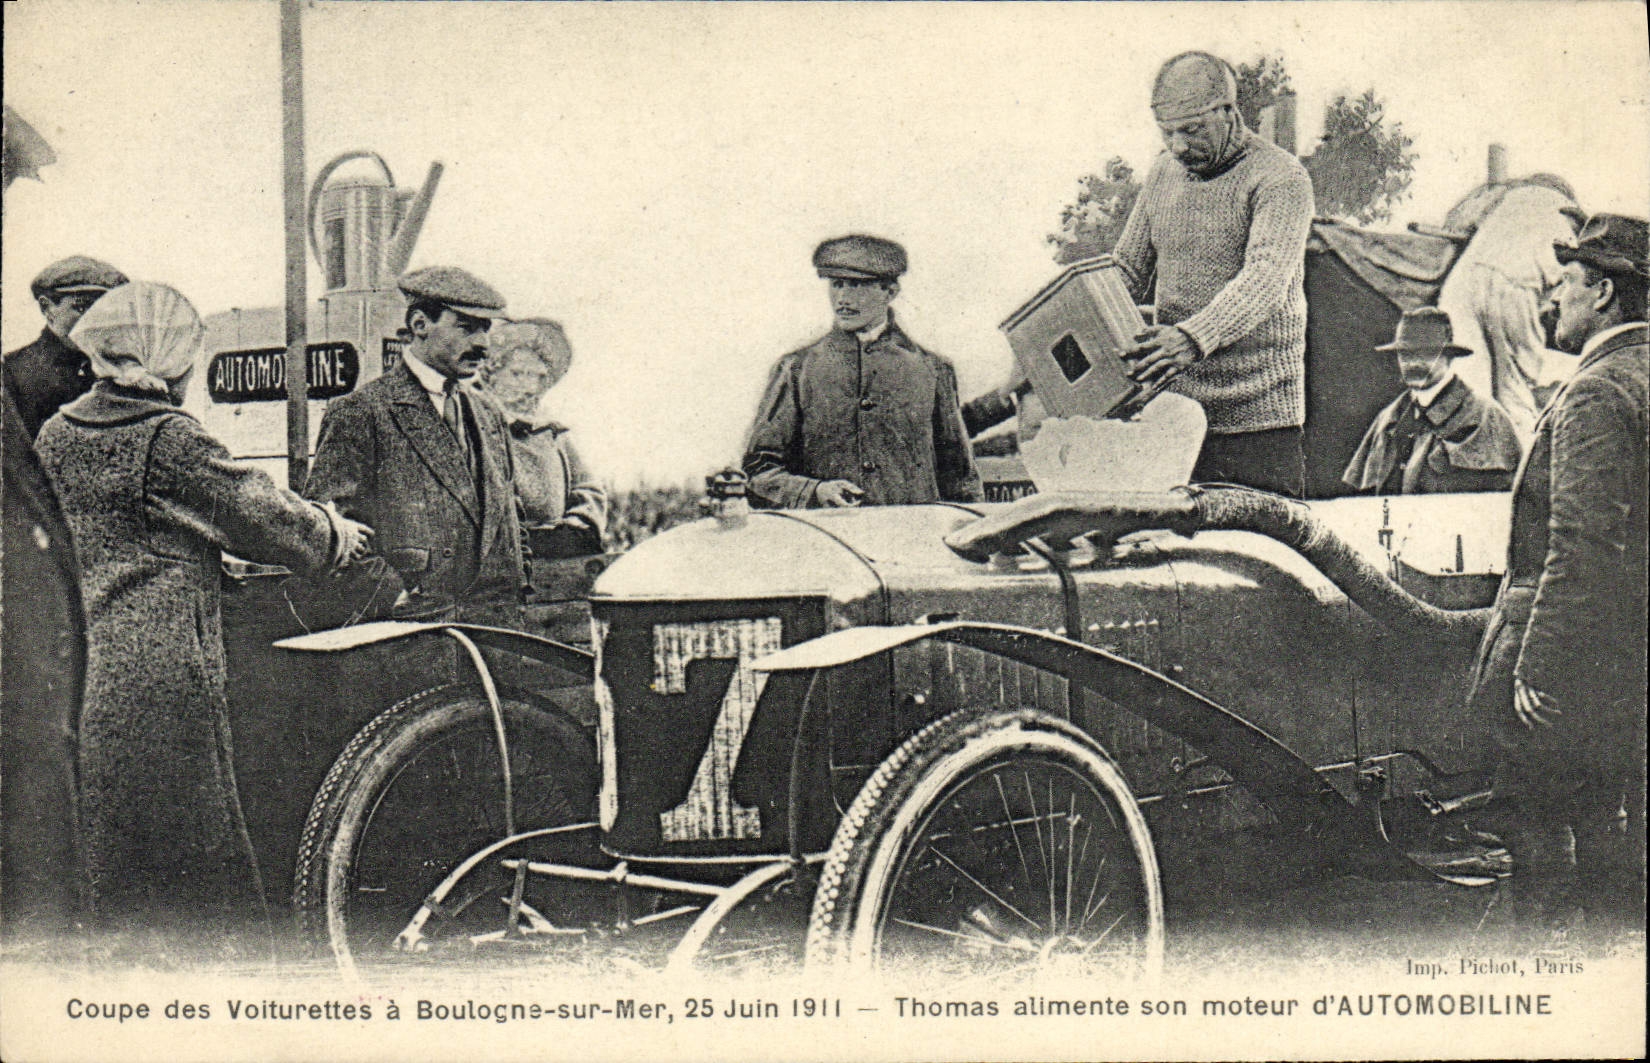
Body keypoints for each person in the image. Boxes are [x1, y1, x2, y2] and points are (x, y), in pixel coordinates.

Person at [34, 282, 370, 956]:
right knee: (196, 873)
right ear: (168, 361)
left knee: (109, 864)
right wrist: (337, 535)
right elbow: (264, 516)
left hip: (79, 667)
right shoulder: (168, 437)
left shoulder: (58, 431)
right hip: (161, 677)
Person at [1466, 213, 1647, 930]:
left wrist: (1537, 663)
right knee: (1612, 831)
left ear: (1603, 293)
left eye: (1565, 284)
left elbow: (1580, 544)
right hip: (1628, 659)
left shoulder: (1599, 390)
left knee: (1534, 825)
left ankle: (1548, 975)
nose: (1550, 302)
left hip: (1575, 659)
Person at [1112, 51, 1315, 496]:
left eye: (1192, 130)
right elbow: (1125, 271)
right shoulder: (1162, 173)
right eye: (1167, 132)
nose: (1178, 146)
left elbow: (1264, 280)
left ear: (1228, 111)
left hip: (1260, 427)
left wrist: (1190, 338)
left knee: (1265, 559)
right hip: (1176, 423)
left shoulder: (1281, 178)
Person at [306, 266, 526, 623]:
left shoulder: (489, 414)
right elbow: (327, 529)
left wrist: (520, 576)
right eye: (466, 327)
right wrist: (393, 598)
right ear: (420, 324)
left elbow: (511, 514)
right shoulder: (363, 412)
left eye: (486, 329)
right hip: (413, 636)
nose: (483, 344)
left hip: (498, 631)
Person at [742, 235, 982, 508]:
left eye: (856, 286)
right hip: (830, 543)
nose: (843, 299)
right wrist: (814, 491)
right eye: (837, 285)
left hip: (912, 541)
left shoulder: (932, 370)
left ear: (890, 292)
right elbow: (757, 472)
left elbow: (961, 481)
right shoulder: (796, 370)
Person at [1437, 175, 1583, 439]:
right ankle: (1522, 470)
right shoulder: (1566, 215)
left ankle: (1471, 467)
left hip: (1461, 282)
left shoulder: (1506, 199)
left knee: (1468, 391)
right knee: (1516, 394)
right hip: (1518, 286)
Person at [1342, 307, 1522, 495]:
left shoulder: (1485, 416)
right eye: (1405, 354)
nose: (1413, 364)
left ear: (1449, 357)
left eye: (1426, 353)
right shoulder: (1387, 420)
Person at [477, 318, 606, 559]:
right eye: (516, 374)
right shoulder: (474, 423)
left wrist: (576, 528)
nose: (527, 386)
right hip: (496, 562)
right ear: (493, 373)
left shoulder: (554, 433)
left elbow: (589, 489)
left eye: (534, 376)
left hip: (555, 557)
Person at [3, 256, 129, 439]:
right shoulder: (12, 371)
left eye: (103, 308)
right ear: (47, 308)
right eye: (81, 307)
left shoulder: (125, 370)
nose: (94, 320)